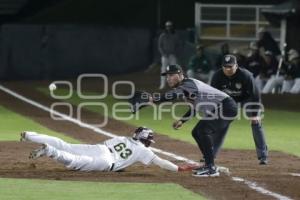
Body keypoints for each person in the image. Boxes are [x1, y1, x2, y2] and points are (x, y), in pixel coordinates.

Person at [149, 64, 238, 177]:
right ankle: (209, 164)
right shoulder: (186, 88)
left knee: (203, 130)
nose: (168, 78)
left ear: (180, 75)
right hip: (220, 108)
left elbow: (174, 94)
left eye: (171, 75)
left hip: (226, 107)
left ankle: (211, 167)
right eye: (167, 76)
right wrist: (182, 120)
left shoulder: (188, 84)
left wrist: (155, 99)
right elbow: (195, 108)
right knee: (196, 132)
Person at [20, 127, 197, 172]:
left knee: (66, 145)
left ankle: (29, 135)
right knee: (77, 163)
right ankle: (50, 152)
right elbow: (162, 162)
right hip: (107, 161)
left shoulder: (122, 138)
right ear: (147, 141)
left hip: (99, 148)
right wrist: (178, 168)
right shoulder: (145, 151)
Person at [211, 54, 268, 165]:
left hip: (247, 99)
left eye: (230, 67)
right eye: (225, 67)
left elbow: (255, 95)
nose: (228, 69)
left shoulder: (246, 75)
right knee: (222, 122)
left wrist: (255, 113)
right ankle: (211, 154)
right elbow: (213, 95)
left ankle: (263, 156)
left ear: (236, 66)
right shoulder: (217, 76)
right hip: (228, 100)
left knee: (256, 122)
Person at [158, 21, 181, 89]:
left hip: (172, 55)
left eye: (170, 26)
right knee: (163, 70)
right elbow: (160, 46)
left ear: (172, 27)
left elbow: (178, 45)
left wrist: (175, 53)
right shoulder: (162, 35)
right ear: (165, 27)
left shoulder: (175, 35)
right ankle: (162, 84)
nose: (169, 27)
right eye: (167, 26)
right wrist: (163, 54)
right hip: (165, 56)